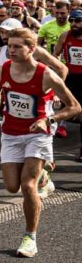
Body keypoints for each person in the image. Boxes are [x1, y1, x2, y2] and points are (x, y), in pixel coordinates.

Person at [0, 27, 81, 258]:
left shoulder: (46, 75)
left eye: (17, 46)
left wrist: (48, 120)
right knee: (12, 186)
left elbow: (75, 107)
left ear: (32, 49)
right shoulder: (2, 69)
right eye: (9, 46)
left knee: (28, 186)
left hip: (38, 134)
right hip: (10, 133)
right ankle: (45, 175)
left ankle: (30, 237)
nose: (11, 50)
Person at [51, 9, 82, 162]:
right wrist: (59, 68)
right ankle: (58, 127)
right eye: (72, 21)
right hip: (71, 77)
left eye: (78, 21)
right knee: (66, 106)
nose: (74, 24)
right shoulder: (65, 35)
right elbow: (55, 53)